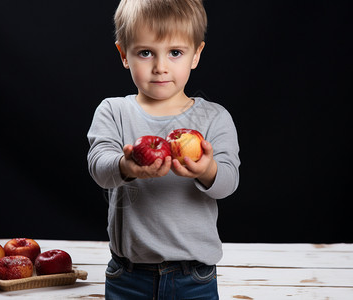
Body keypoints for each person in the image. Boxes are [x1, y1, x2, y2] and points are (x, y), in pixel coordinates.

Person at [87, 0, 240, 298]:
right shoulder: (114, 112)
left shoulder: (214, 118)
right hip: (129, 275)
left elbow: (228, 182)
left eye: (175, 53)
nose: (160, 67)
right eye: (145, 53)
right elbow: (99, 167)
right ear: (124, 55)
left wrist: (207, 170)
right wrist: (124, 166)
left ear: (196, 54)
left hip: (194, 276)